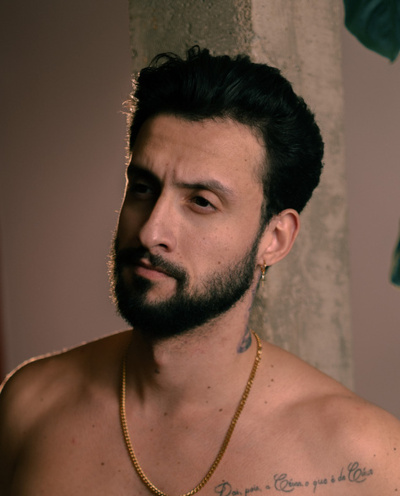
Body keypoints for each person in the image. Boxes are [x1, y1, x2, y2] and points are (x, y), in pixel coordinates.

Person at [0, 46, 399, 496]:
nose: (151, 232)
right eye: (143, 188)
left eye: (202, 202)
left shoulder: (365, 459)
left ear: (274, 239)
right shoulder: (29, 405)